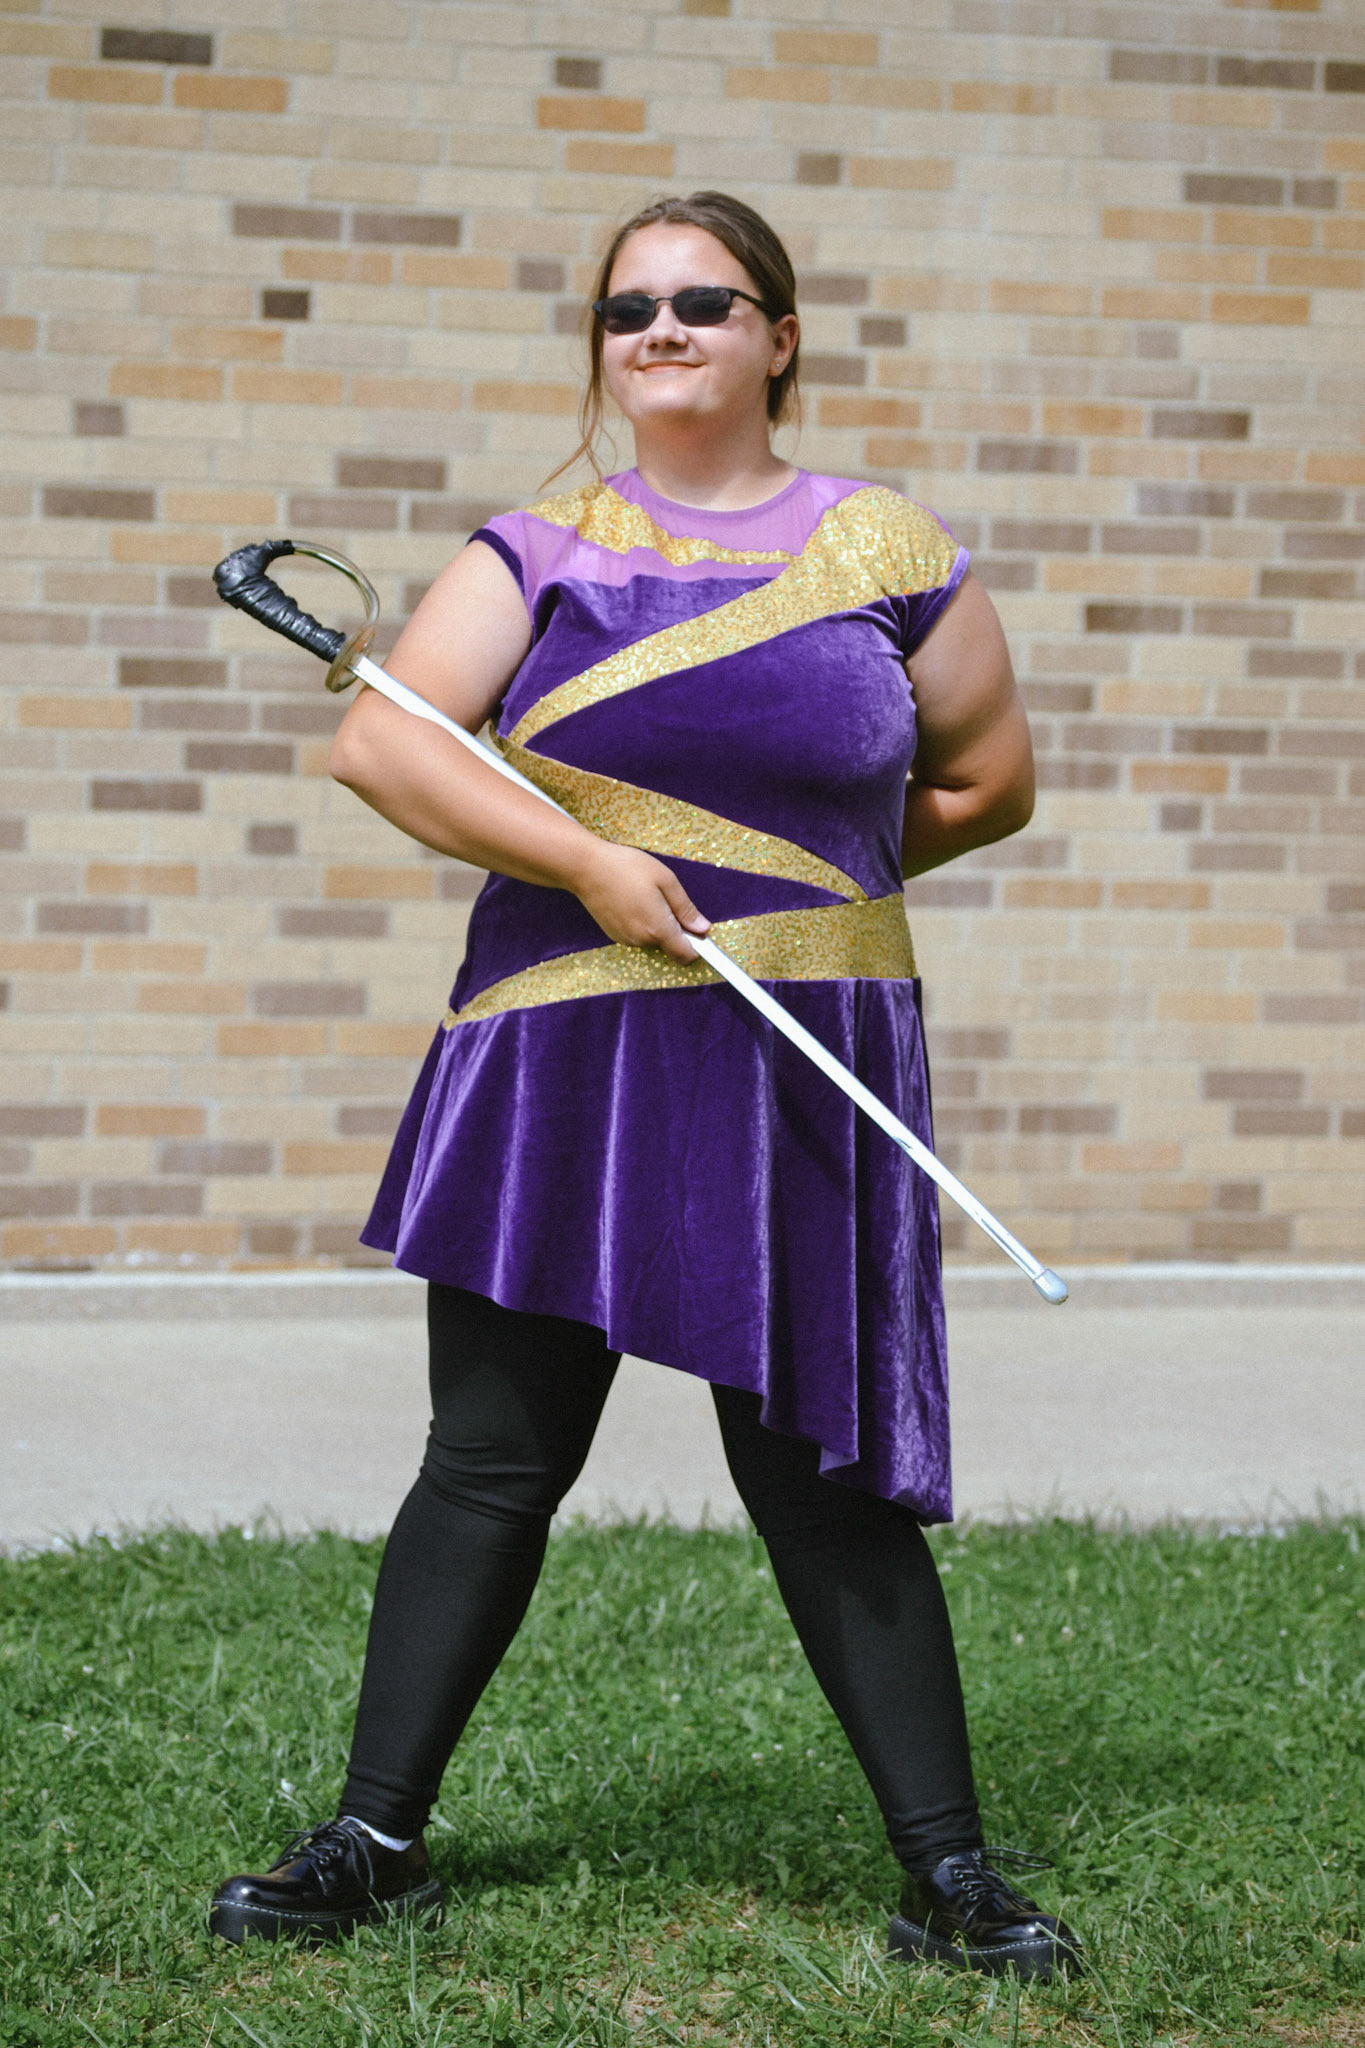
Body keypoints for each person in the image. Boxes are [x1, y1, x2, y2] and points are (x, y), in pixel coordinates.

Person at [209, 191, 1083, 1980]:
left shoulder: (890, 546)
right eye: (627, 310)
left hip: (805, 1049)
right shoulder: (535, 551)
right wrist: (595, 865)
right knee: (490, 1461)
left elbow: (986, 782)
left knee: (827, 1473)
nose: (661, 330)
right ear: (602, 347)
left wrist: (801, 895)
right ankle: (372, 1841)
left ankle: (949, 1878)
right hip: (566, 1047)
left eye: (703, 300)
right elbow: (383, 743)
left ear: (779, 335)